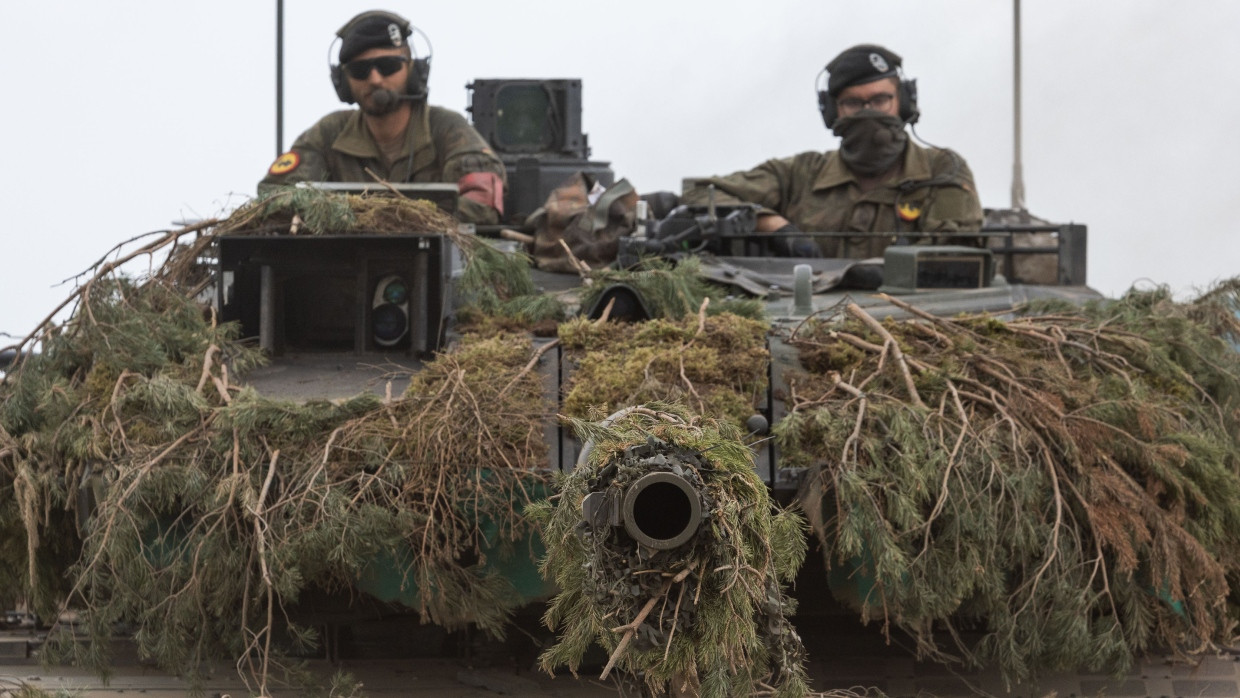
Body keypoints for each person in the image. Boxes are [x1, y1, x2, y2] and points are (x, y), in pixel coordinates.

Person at [682, 44, 983, 258]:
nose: (867, 112)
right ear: (832, 112)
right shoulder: (800, 174)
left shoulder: (942, 169)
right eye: (853, 103)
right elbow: (699, 192)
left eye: (880, 100)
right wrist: (774, 225)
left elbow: (957, 253)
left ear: (902, 103)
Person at [259, 10, 506, 225]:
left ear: (413, 70)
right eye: (360, 70)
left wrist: (393, 218)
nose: (375, 79)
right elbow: (275, 196)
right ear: (343, 82)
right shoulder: (328, 134)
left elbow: (482, 204)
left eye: (388, 66)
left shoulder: (447, 129)